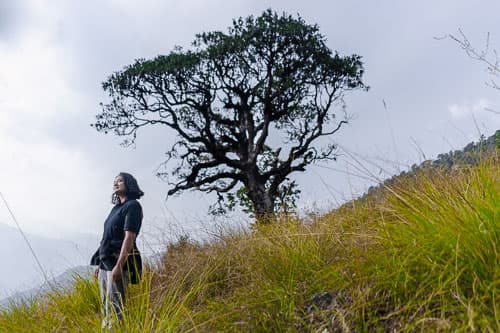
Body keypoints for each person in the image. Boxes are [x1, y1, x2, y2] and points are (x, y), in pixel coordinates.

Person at [90, 172, 144, 329]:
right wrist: (100, 264)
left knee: (116, 309)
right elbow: (107, 236)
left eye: (120, 181)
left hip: (117, 263)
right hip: (106, 263)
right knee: (106, 308)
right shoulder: (116, 209)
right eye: (115, 181)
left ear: (129, 184)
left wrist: (119, 266)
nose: (116, 183)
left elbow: (129, 237)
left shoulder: (133, 206)